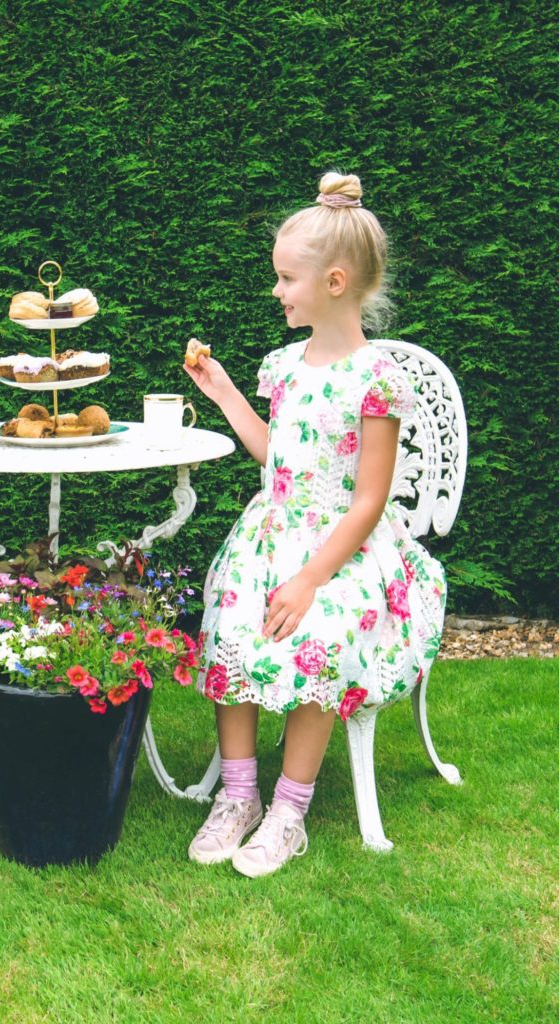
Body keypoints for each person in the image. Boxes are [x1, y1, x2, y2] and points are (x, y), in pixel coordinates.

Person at [183, 172, 446, 877]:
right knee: (230, 622)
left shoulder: (377, 378)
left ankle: (288, 811)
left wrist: (307, 580)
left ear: (333, 281)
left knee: (320, 636)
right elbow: (280, 460)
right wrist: (229, 393)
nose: (276, 291)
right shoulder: (283, 367)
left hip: (342, 551)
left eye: (285, 279)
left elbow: (367, 501)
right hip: (273, 529)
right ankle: (238, 795)